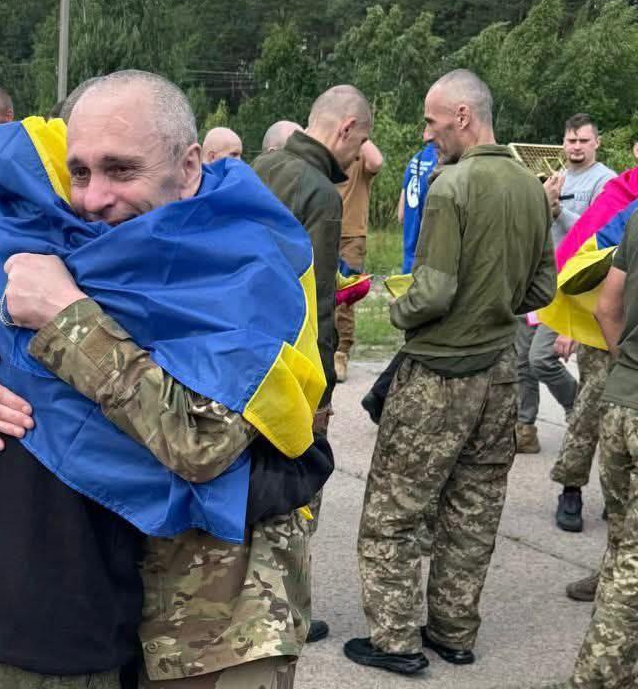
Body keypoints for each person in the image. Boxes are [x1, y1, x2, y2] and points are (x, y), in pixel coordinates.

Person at [0, 70, 328, 688]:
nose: (94, 197)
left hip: (212, 617)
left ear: (189, 167)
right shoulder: (87, 237)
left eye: (121, 170)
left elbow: (202, 442)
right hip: (73, 592)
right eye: (80, 172)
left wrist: (66, 317)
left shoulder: (244, 261)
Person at [345, 69, 555, 675]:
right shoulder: (531, 186)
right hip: (500, 374)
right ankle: (454, 631)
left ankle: (395, 640)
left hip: (438, 376)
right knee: (474, 509)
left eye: (431, 120)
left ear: (463, 115)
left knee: (393, 513)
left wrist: (398, 308)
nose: (427, 133)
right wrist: (494, 304)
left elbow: (432, 292)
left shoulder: (451, 185)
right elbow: (543, 287)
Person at [253, 85, 373, 643]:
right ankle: (288, 616)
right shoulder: (322, 193)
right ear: (346, 128)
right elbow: (317, 303)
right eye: (362, 140)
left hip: (246, 356)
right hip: (292, 368)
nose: (359, 154)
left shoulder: (260, 167)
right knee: (297, 499)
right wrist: (320, 394)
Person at [559, 210, 638, 688]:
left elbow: (606, 307)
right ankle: (597, 678)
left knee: (624, 542)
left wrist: (626, 364)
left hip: (621, 402)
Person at [544, 114, 617, 533]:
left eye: (582, 140)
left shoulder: (607, 182)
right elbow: (594, 252)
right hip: (601, 321)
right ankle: (571, 488)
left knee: (621, 418)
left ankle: (617, 494)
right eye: (571, 140)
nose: (576, 146)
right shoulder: (624, 198)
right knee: (590, 410)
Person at [334, 140, 383, 382]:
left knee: (346, 296)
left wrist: (359, 136)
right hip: (323, 228)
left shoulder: (360, 156)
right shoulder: (329, 152)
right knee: (320, 294)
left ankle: (341, 353)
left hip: (352, 235)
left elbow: (377, 162)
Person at [397, 141, 438, 274]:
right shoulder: (444, 163)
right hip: (431, 266)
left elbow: (401, 216)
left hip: (409, 264)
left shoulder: (415, 159)